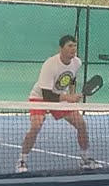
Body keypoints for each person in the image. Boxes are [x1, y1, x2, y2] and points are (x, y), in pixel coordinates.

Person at [17, 35, 98, 173]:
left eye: (74, 46)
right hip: (40, 97)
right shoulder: (50, 64)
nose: (73, 49)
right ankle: (22, 161)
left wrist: (72, 96)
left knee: (81, 124)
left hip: (61, 98)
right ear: (61, 48)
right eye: (69, 46)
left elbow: (72, 79)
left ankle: (85, 159)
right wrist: (68, 97)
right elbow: (47, 95)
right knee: (36, 125)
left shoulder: (77, 62)